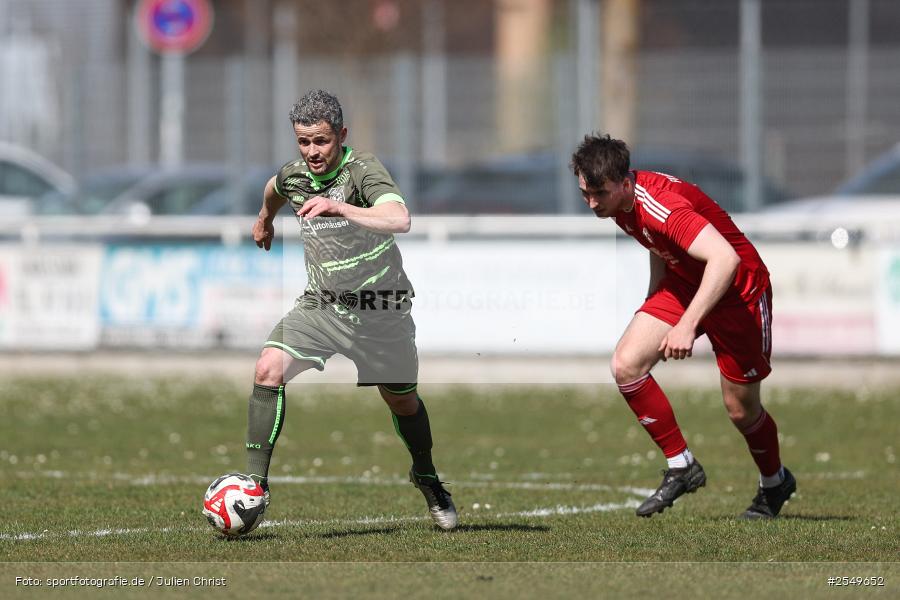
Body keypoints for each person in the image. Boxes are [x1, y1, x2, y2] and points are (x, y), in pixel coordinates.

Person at [245, 89, 457, 530]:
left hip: (382, 311)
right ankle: (254, 486)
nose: (312, 152)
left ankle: (427, 476)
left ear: (341, 135)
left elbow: (400, 219)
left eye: (321, 141)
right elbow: (274, 187)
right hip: (321, 306)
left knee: (402, 402)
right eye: (303, 142)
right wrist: (264, 218)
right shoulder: (296, 174)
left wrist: (340, 206)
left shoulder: (363, 171)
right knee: (268, 367)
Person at [571, 133, 796, 519]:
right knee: (626, 365)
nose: (592, 203)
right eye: (585, 194)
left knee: (741, 410)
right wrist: (652, 305)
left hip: (738, 293)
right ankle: (682, 466)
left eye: (599, 194)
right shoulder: (620, 202)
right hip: (685, 281)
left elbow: (725, 260)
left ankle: (775, 482)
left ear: (625, 183)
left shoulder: (663, 206)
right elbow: (658, 245)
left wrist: (686, 325)